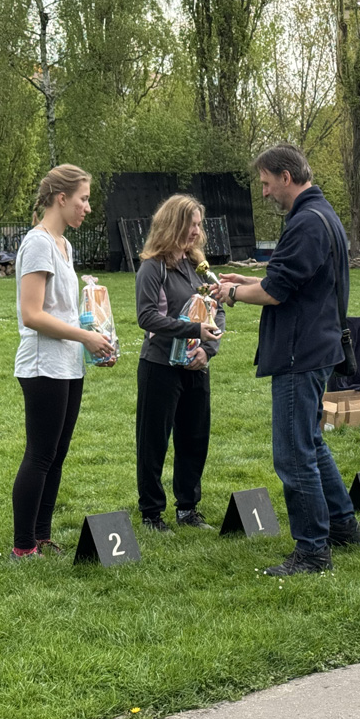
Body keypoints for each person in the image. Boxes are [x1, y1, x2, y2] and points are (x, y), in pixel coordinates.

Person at [211, 143, 360, 576]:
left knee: (292, 453)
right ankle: (344, 527)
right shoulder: (322, 215)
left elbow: (278, 292)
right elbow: (299, 281)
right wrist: (251, 279)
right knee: (311, 442)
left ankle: (313, 551)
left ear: (286, 176)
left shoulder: (306, 222)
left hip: (301, 352)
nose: (264, 192)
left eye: (266, 183)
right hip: (317, 346)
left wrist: (233, 292)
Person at [10, 164, 115, 559]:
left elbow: (65, 311)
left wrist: (95, 340)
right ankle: (23, 546)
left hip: (70, 364)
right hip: (42, 366)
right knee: (40, 454)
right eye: (83, 199)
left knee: (56, 454)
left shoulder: (64, 245)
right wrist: (85, 336)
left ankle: (41, 536)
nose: (87, 207)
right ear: (61, 198)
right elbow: (32, 314)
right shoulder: (37, 243)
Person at [134, 194, 227, 532]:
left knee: (194, 439)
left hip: (196, 366)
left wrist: (207, 350)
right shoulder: (152, 267)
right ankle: (151, 513)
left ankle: (188, 508)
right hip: (160, 366)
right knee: (153, 442)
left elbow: (218, 311)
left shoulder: (199, 267)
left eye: (199, 225)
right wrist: (193, 330)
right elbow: (146, 317)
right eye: (192, 225)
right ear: (173, 225)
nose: (197, 232)